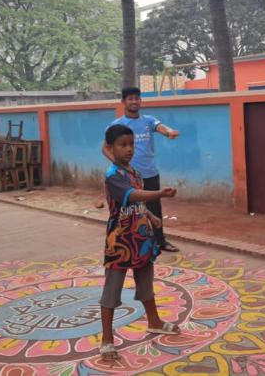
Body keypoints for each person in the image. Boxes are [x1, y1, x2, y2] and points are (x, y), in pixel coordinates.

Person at [99, 124, 181, 361]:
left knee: (145, 280)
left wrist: (151, 216)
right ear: (110, 148)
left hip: (141, 237)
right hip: (120, 241)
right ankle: (107, 339)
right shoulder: (113, 176)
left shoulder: (135, 173)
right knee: (112, 289)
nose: (129, 149)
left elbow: (138, 204)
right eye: (123, 145)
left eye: (131, 144)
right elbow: (132, 196)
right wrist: (159, 195)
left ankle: (154, 321)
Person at [102, 87, 180, 252]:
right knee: (131, 209)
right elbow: (105, 149)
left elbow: (161, 127)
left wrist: (169, 132)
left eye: (137, 98)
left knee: (154, 207)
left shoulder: (149, 120)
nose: (134, 102)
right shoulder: (116, 125)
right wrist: (121, 166)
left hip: (149, 173)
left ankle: (160, 241)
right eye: (130, 99)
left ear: (140, 101)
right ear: (123, 102)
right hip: (128, 177)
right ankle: (132, 242)